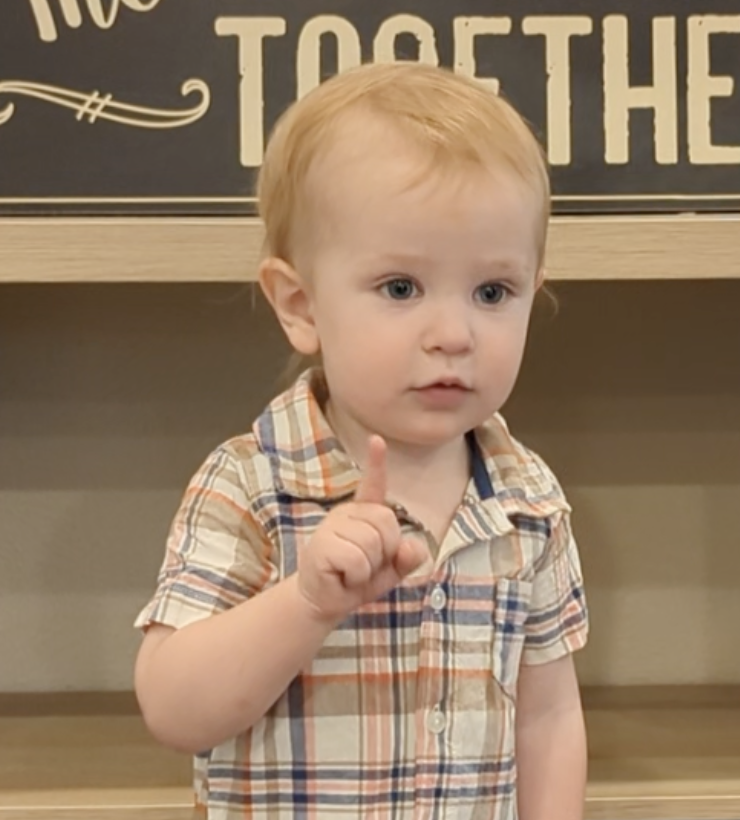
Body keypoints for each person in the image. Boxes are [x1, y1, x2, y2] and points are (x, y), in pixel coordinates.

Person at [133, 61, 589, 820]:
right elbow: (173, 708)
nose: (454, 334)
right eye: (401, 288)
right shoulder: (251, 484)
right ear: (300, 305)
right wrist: (306, 603)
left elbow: (548, 718)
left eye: (493, 292)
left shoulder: (529, 502)